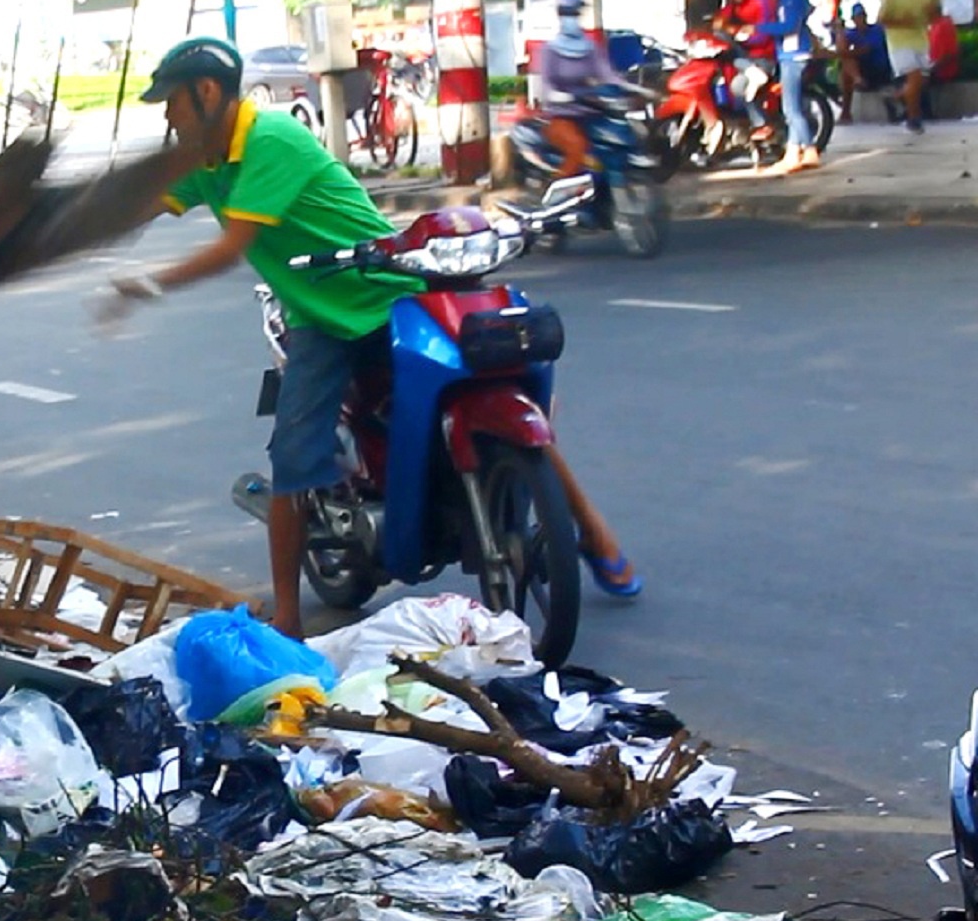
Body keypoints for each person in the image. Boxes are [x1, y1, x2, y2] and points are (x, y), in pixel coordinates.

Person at [95, 38, 640, 637]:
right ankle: (288, 614)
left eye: (171, 102)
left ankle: (594, 532)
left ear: (205, 93)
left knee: (502, 385)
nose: (168, 116)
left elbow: (231, 248)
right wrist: (68, 224)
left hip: (389, 295)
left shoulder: (270, 140)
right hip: (320, 321)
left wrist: (149, 283)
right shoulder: (207, 161)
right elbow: (144, 204)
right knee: (294, 458)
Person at [532, 0, 633, 178]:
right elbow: (545, 85)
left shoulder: (590, 47)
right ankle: (559, 186)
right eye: (567, 13)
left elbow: (607, 74)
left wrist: (631, 87)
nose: (571, 18)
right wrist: (558, 96)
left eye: (575, 13)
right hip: (560, 115)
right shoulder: (549, 50)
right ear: (560, 15)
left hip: (591, 112)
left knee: (616, 141)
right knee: (578, 145)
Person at [737, 0, 818, 173]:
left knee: (791, 110)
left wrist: (758, 28)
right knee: (792, 107)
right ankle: (798, 152)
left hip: (793, 55)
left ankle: (805, 150)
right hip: (790, 54)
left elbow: (789, 26)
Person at [712, 0, 776, 132]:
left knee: (740, 86)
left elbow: (763, 36)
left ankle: (762, 124)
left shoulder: (762, 2)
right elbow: (719, 25)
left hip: (764, 57)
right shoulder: (731, 8)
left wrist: (736, 32)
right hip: (746, 61)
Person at [881, 0, 943, 133]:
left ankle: (897, 98)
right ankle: (913, 118)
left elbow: (936, 12)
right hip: (899, 41)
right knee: (914, 77)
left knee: (921, 81)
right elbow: (882, 19)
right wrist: (904, 21)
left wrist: (932, 13)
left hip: (921, 39)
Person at [836, 3, 892, 123]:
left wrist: (842, 53)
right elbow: (841, 49)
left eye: (862, 16)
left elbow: (865, 50)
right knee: (845, 69)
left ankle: (857, 79)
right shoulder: (852, 33)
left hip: (878, 69)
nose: (860, 20)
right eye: (857, 17)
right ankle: (846, 112)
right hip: (862, 69)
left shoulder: (876, 31)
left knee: (847, 60)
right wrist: (840, 31)